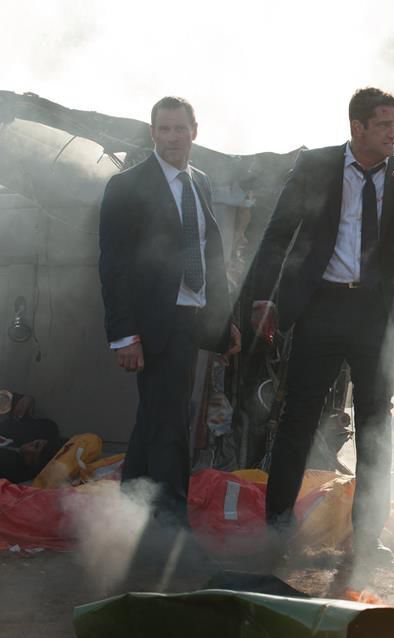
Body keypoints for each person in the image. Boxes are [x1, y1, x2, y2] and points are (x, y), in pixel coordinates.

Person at [247, 87, 394, 591]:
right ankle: (277, 530)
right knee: (297, 420)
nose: (393, 134)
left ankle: (368, 538)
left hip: (378, 317)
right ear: (358, 127)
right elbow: (277, 235)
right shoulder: (317, 167)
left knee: (376, 427)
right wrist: (262, 298)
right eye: (383, 125)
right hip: (322, 308)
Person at [98, 96, 240, 525]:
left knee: (156, 415)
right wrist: (125, 335)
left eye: (180, 128)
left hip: (192, 315)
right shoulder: (126, 186)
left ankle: (131, 511)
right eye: (164, 129)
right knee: (171, 421)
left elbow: (210, 255)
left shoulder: (200, 182)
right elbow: (114, 265)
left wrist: (223, 322)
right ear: (152, 133)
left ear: (194, 131)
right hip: (152, 322)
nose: (172, 137)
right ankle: (171, 520)